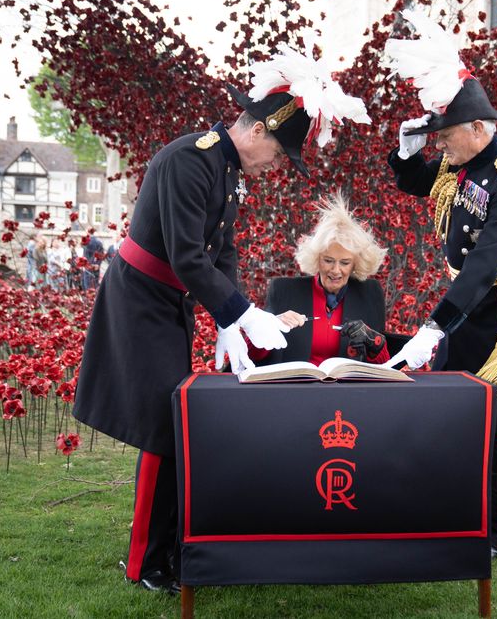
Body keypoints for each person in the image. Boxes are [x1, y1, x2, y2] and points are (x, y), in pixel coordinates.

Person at [72, 45, 370, 595]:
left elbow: (222, 250)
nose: (275, 165)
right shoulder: (191, 160)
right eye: (278, 153)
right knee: (162, 428)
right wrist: (241, 313)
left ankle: (171, 546)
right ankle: (147, 561)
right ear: (257, 130)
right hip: (141, 300)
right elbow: (187, 255)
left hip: (171, 301)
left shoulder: (226, 169)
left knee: (175, 422)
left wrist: (228, 319)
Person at [383, 11, 497, 559]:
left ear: (478, 128)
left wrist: (434, 327)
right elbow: (417, 181)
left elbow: (485, 264)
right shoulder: (463, 162)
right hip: (467, 300)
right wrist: (405, 151)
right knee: (461, 404)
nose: (441, 145)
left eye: (445, 135)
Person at [251, 194, 391, 365]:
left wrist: (374, 342)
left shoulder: (370, 293)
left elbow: (384, 365)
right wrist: (271, 326)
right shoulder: (283, 290)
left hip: (348, 383)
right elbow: (254, 355)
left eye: (345, 262)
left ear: (356, 263)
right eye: (328, 260)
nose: (335, 270)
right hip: (296, 381)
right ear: (316, 258)